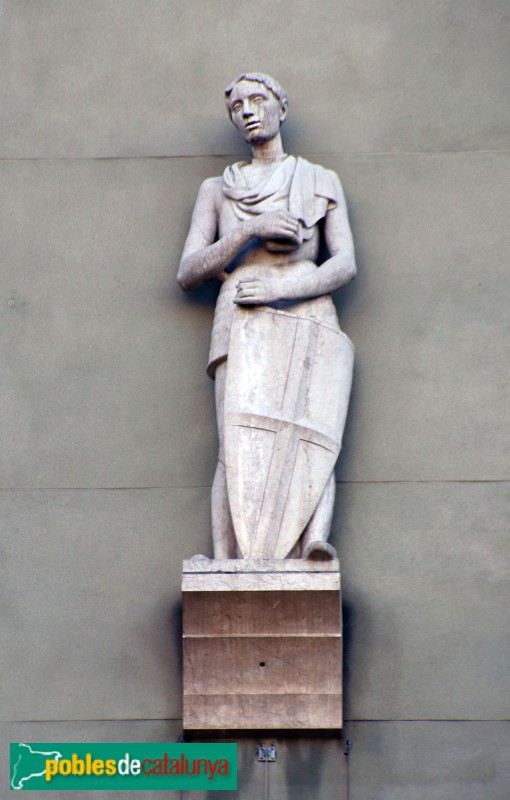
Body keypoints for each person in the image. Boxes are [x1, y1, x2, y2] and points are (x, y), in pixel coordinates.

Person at [178, 73, 356, 559]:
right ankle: (226, 558)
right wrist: (249, 231)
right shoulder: (217, 190)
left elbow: (343, 262)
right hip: (240, 312)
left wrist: (282, 287)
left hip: (308, 309)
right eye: (237, 107)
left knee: (313, 428)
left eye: (258, 100)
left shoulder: (320, 180)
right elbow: (189, 270)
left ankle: (313, 544)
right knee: (235, 439)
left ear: (281, 107)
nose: (248, 111)